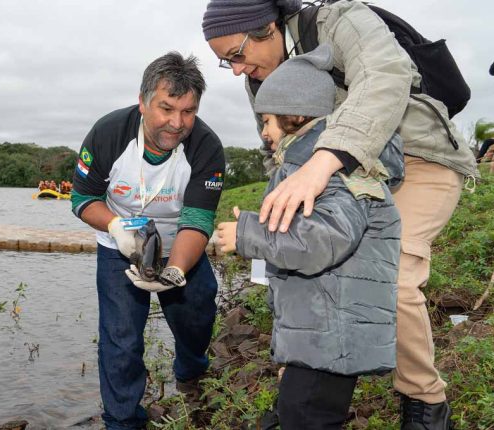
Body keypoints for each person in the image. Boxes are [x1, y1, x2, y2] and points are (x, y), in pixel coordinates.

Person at [201, 1, 478, 427]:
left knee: (393, 275)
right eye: (225, 63)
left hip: (421, 160)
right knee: (312, 272)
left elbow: (385, 75)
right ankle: (308, 390)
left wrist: (325, 159)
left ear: (268, 27)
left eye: (237, 54)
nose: (237, 70)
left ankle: (424, 401)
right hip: (343, 171)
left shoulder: (339, 20)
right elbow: (280, 153)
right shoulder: (261, 75)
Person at [217, 44, 402, 429]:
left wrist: (248, 234)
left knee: (305, 417)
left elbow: (324, 240)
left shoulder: (335, 171)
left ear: (295, 115)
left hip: (333, 337)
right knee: (296, 414)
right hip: (321, 335)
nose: (264, 133)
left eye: (266, 121)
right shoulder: (305, 168)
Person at [71, 52, 225, 429]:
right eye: (166, 108)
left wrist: (173, 271)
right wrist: (114, 228)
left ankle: (190, 371)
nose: (176, 123)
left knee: (198, 316)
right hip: (119, 248)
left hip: (181, 247)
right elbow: (82, 200)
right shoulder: (109, 133)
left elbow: (198, 221)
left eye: (188, 111)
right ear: (143, 102)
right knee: (121, 338)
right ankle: (122, 420)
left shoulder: (207, 147)